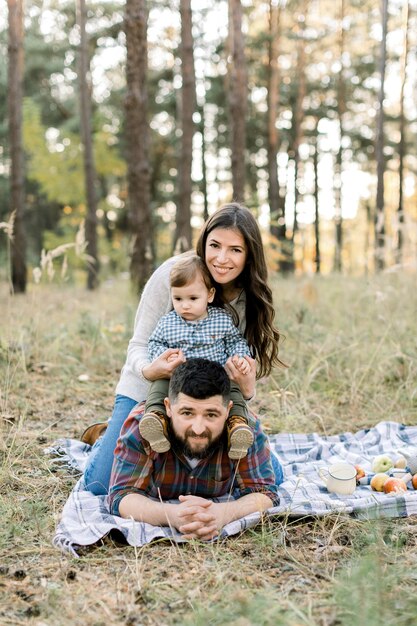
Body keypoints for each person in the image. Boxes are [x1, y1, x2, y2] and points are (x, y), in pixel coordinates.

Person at [83, 202, 284, 495]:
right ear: (204, 242)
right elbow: (140, 344)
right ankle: (107, 435)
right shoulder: (173, 274)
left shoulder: (247, 295)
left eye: (235, 250)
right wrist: (151, 369)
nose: (222, 258)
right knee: (101, 484)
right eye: (215, 245)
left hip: (206, 401)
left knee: (271, 477)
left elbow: (240, 363)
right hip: (151, 387)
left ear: (249, 255)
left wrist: (247, 388)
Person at [108, 359, 281, 541]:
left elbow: (265, 493)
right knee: (97, 478)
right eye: (187, 413)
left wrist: (223, 513)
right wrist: (173, 515)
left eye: (211, 415)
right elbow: (121, 496)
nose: (198, 428)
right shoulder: (144, 427)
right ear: (168, 407)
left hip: (248, 452)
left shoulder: (244, 431)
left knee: (279, 476)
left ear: (228, 410)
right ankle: (103, 433)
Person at [140, 254, 255, 460]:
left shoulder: (221, 319)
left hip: (217, 377)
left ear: (209, 295)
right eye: (178, 299)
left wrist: (240, 358)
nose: (184, 306)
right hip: (179, 377)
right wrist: (164, 359)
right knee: (159, 385)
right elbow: (155, 342)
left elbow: (234, 340)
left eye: (193, 298)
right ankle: (156, 420)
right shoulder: (168, 323)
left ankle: (237, 425)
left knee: (234, 390)